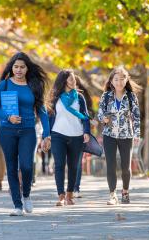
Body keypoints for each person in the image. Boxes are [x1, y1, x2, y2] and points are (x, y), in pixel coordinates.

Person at [0, 52, 50, 216]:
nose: (18, 70)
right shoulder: (4, 85)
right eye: (15, 67)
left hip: (28, 130)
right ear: (11, 68)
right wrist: (8, 117)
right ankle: (17, 206)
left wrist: (47, 134)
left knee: (25, 165)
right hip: (7, 131)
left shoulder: (34, 85)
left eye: (22, 67)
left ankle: (26, 194)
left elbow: (42, 111)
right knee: (11, 167)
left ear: (27, 68)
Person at [97, 66, 141, 205]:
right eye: (116, 79)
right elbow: (99, 112)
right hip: (109, 134)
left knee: (125, 167)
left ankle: (125, 192)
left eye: (122, 79)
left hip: (126, 134)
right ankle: (112, 195)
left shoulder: (131, 96)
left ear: (126, 80)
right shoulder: (106, 96)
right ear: (111, 81)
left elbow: (136, 116)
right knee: (111, 165)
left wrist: (137, 134)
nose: (119, 82)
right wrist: (102, 118)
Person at [48, 69, 91, 206]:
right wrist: (47, 136)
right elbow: (50, 117)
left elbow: (85, 116)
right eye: (71, 79)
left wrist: (86, 131)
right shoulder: (56, 97)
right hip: (58, 135)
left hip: (76, 135)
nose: (74, 81)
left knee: (73, 166)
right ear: (64, 81)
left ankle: (69, 195)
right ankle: (60, 196)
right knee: (59, 165)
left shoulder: (79, 97)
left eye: (74, 79)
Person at [73, 76, 96, 198]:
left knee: (78, 162)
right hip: (64, 133)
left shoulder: (82, 97)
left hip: (81, 132)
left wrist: (87, 126)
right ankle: (67, 188)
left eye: (74, 83)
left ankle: (76, 188)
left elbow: (90, 112)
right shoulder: (60, 96)